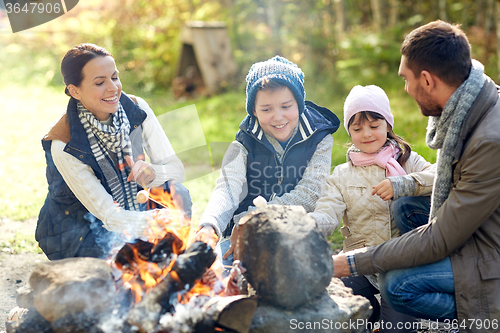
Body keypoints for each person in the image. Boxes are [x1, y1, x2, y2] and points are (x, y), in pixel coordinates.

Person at [332, 20, 500, 331]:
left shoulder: (490, 140)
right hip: (478, 228)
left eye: (406, 80)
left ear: (426, 79)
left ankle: (485, 314)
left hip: (491, 253)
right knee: (406, 206)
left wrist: (349, 262)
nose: (406, 90)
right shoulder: (473, 107)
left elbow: (439, 237)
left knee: (396, 283)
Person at [36, 43, 191, 260]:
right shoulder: (63, 143)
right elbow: (107, 215)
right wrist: (156, 222)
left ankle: (167, 261)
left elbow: (177, 170)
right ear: (74, 91)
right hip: (81, 229)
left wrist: (155, 173)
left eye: (115, 77)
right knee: (120, 272)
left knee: (178, 194)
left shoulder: (137, 108)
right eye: (100, 82)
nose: (113, 88)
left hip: (132, 209)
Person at [309, 85, 434, 332]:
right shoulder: (342, 175)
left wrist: (403, 184)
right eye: (357, 129)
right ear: (350, 131)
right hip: (361, 266)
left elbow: (441, 174)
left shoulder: (406, 161)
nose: (366, 134)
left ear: (388, 125)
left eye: (374, 126)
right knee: (329, 308)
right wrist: (307, 227)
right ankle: (368, 313)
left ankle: (392, 316)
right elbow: (327, 211)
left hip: (399, 268)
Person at [197, 56, 340, 267]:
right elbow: (227, 188)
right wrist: (209, 225)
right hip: (244, 238)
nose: (278, 117)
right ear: (253, 110)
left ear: (299, 104)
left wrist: (254, 219)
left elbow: (310, 194)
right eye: (266, 109)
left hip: (295, 235)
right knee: (215, 274)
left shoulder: (319, 138)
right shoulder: (244, 142)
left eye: (286, 106)